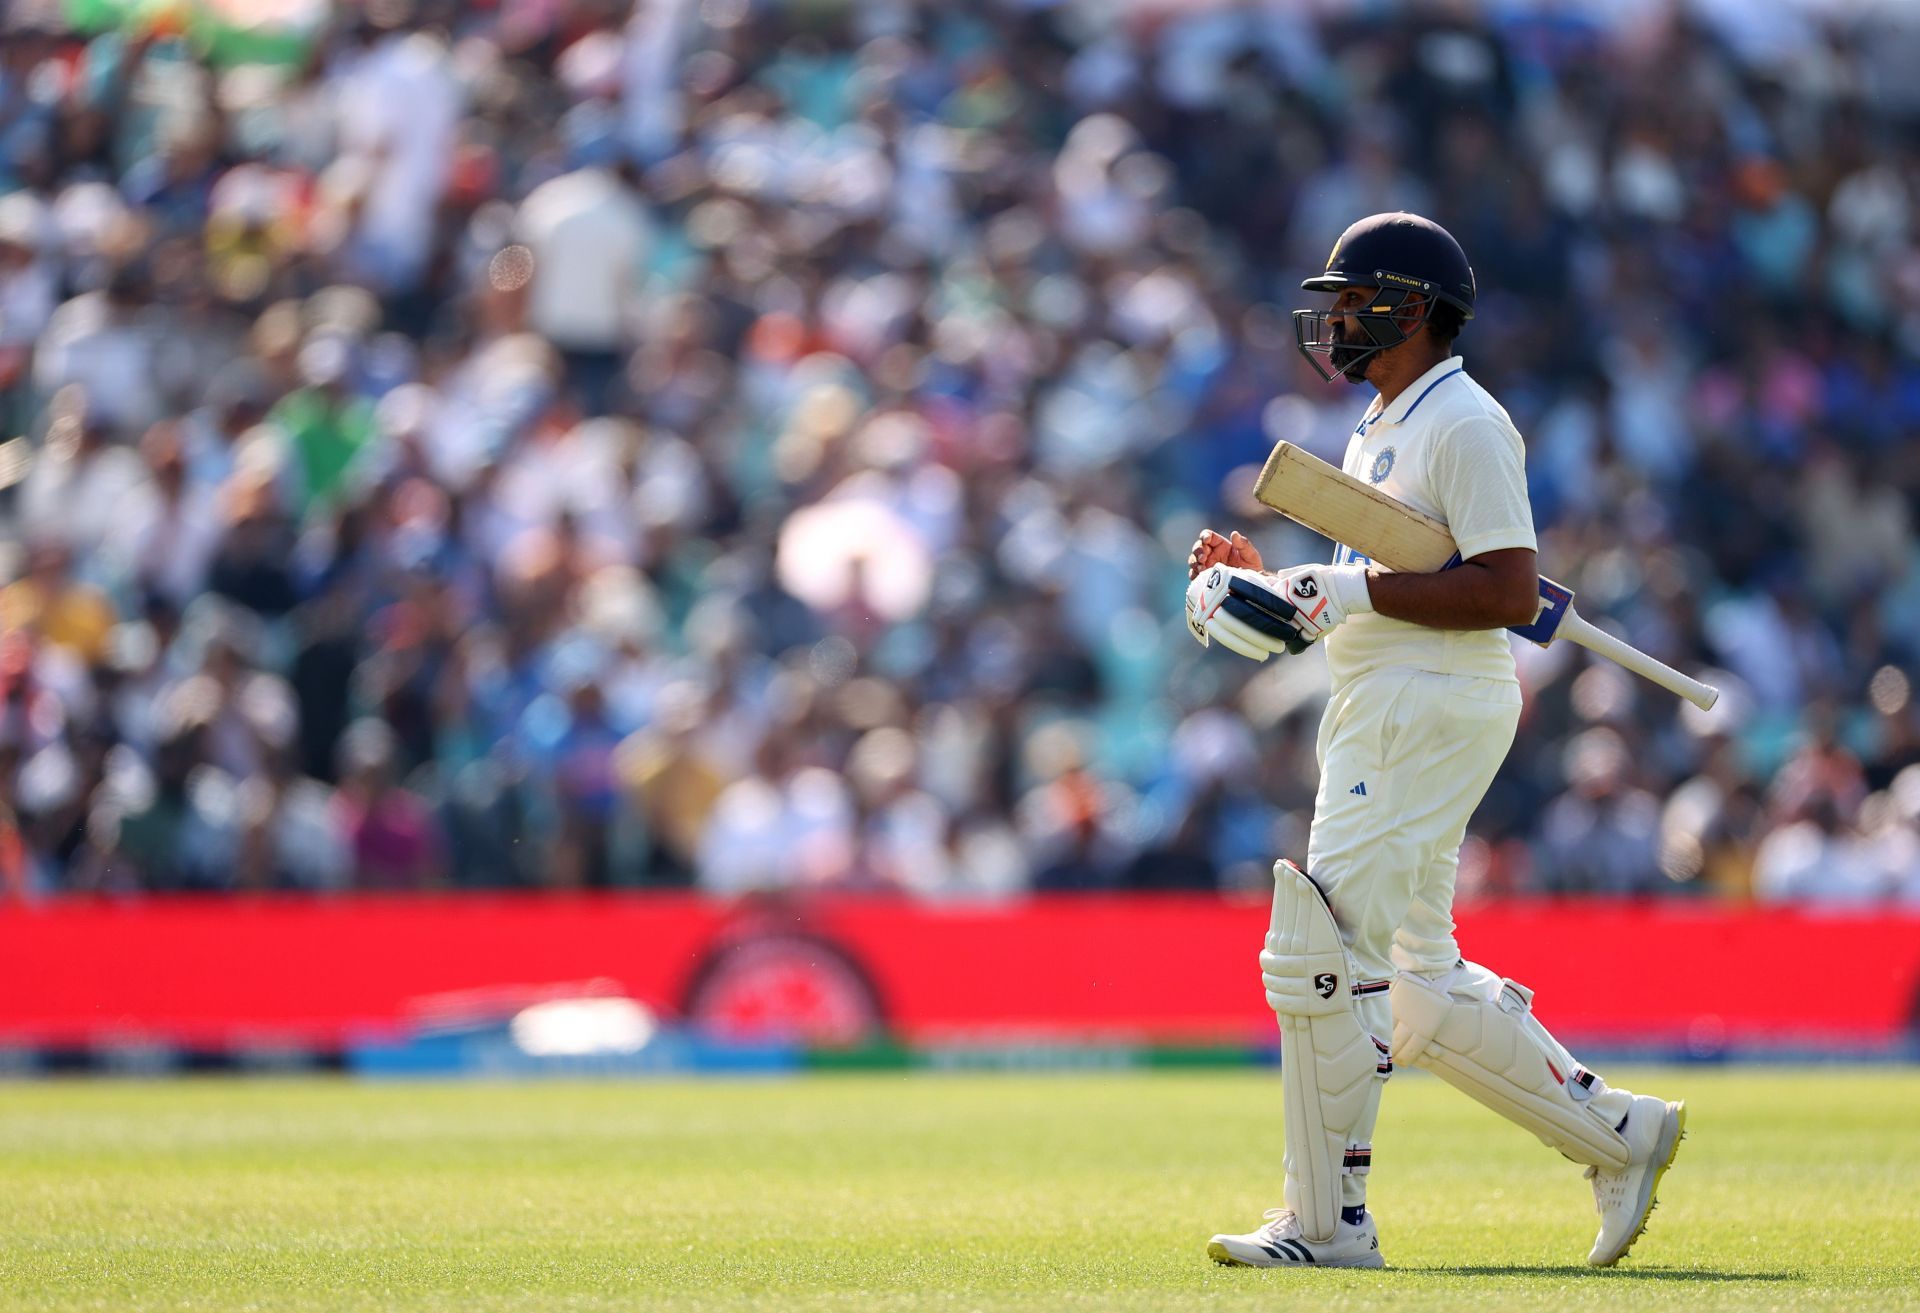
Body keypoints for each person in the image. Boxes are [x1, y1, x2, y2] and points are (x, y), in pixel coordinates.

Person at [1184, 213, 1686, 1270]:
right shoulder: (1383, 424)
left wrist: (1345, 586)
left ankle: (1325, 1222)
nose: (1334, 318)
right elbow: (1399, 582)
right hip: (1390, 695)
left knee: (1319, 950)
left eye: (1355, 298)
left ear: (1412, 308)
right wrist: (1276, 581)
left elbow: (1505, 589)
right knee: (1413, 979)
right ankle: (1621, 1134)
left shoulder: (1464, 420)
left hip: (1428, 699)